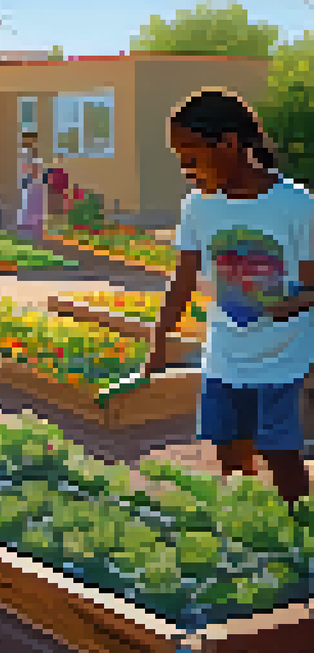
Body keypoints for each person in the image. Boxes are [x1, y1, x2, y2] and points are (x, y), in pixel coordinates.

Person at [147, 88, 314, 508]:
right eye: (179, 158)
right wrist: (159, 337)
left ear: (229, 144)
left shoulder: (295, 204)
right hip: (225, 355)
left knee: (282, 457)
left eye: (192, 155)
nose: (186, 169)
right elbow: (182, 278)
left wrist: (289, 305)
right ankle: (248, 538)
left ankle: (301, 540)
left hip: (283, 359)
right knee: (230, 455)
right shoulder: (198, 207)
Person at [17, 131, 47, 238]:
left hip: (35, 184)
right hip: (27, 182)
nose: (32, 142)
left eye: (33, 140)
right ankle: (25, 229)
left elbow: (37, 169)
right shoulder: (23, 155)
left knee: (35, 208)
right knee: (27, 206)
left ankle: (35, 229)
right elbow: (24, 169)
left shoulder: (35, 155)